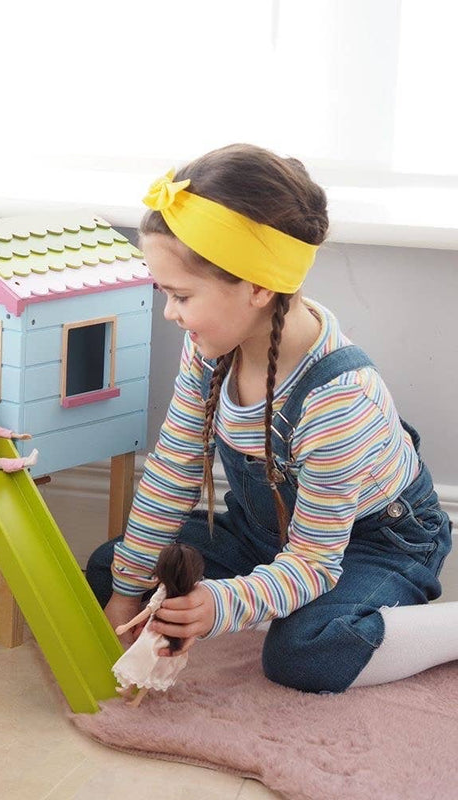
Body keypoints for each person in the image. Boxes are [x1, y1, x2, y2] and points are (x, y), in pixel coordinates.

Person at [86, 144, 455, 694]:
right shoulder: (210, 348)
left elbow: (313, 559)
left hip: (370, 543)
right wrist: (126, 591)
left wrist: (222, 603)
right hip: (266, 533)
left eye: (182, 295)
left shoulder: (337, 398)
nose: (170, 313)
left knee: (304, 656)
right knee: (107, 569)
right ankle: (267, 603)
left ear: (258, 287)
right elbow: (173, 473)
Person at [112, 543, 204, 707]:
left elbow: (148, 611)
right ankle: (128, 689)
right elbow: (148, 610)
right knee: (139, 661)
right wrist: (126, 626)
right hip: (152, 634)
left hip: (160, 638)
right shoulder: (165, 591)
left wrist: (127, 626)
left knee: (149, 667)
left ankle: (137, 699)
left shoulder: (177, 594)